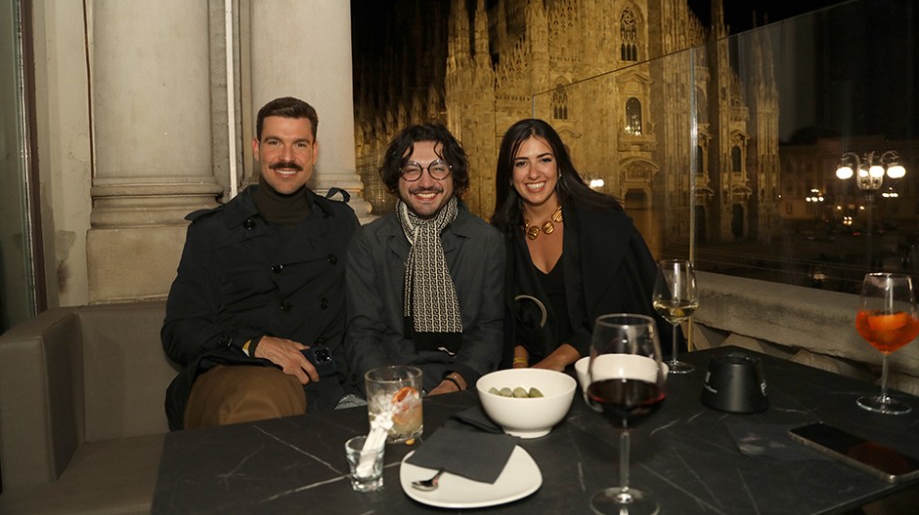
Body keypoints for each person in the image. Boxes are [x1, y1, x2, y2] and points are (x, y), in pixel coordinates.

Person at [161, 97, 359, 430]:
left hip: (327, 379)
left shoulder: (341, 222)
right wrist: (256, 344)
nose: (286, 157)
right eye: (274, 143)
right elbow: (179, 332)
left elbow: (363, 312)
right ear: (256, 149)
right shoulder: (214, 231)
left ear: (314, 152)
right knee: (261, 411)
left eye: (299, 144)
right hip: (239, 374)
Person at [490, 118, 675, 371]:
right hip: (534, 376)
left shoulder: (601, 221)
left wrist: (555, 362)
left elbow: (615, 311)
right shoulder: (502, 236)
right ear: (509, 176)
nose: (534, 173)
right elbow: (508, 319)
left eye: (544, 159)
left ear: (560, 166)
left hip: (603, 366)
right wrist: (520, 365)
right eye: (521, 163)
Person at [345, 123, 504, 395]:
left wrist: (455, 382)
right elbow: (362, 333)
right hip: (389, 383)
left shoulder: (487, 241)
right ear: (397, 177)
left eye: (439, 168)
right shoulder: (369, 242)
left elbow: (490, 331)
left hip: (464, 383)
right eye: (411, 169)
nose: (426, 182)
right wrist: (393, 390)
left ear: (455, 177)